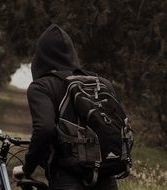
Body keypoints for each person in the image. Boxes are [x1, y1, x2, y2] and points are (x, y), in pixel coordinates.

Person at [14, 24, 118, 190]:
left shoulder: (42, 86)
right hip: (106, 175)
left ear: (40, 56)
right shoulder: (101, 82)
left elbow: (44, 129)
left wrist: (28, 168)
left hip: (68, 178)